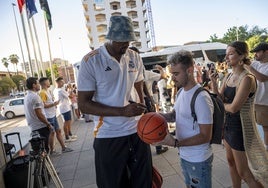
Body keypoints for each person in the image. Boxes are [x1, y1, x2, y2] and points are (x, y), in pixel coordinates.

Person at [77, 15, 152, 188]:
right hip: (109, 135)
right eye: (121, 40)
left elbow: (139, 86)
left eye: (128, 39)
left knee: (144, 183)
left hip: (137, 133)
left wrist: (144, 112)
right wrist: (122, 111)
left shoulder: (134, 56)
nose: (126, 44)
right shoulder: (91, 61)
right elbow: (83, 104)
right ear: (110, 37)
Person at [156, 50, 214, 188]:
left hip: (199, 159)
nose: (172, 79)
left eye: (176, 74)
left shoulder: (201, 98)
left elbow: (206, 136)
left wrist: (175, 143)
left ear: (189, 70)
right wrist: (156, 117)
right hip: (185, 155)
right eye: (171, 74)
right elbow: (175, 115)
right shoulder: (182, 91)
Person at [210, 41, 263, 188]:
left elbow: (234, 108)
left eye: (231, 54)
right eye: (226, 54)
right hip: (228, 125)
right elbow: (220, 97)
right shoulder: (228, 76)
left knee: (244, 172)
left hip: (241, 128)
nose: (226, 58)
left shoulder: (247, 78)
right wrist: (214, 82)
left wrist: (221, 105)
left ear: (242, 56)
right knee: (230, 162)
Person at [129, 46, 169, 155]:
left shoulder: (133, 68)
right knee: (150, 123)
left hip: (137, 101)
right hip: (140, 101)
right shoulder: (136, 69)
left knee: (146, 124)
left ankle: (150, 145)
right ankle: (157, 147)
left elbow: (143, 85)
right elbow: (145, 86)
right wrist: (149, 100)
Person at [39, 77, 73, 154]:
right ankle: (52, 151)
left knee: (58, 131)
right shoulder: (42, 93)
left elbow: (49, 102)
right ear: (45, 83)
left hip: (53, 114)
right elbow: (43, 105)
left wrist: (54, 104)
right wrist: (54, 104)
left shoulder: (48, 91)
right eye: (48, 81)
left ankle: (63, 148)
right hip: (48, 116)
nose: (49, 82)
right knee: (52, 133)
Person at [244, 42, 268, 151]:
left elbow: (262, 78)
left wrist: (249, 68)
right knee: (256, 126)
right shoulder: (256, 63)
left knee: (266, 128)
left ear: (266, 52)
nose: (255, 54)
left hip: (265, 103)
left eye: (257, 52)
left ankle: (266, 149)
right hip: (256, 101)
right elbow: (247, 63)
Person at [24, 77, 53, 153]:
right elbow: (39, 114)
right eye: (37, 83)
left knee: (39, 151)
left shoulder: (27, 96)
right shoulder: (35, 97)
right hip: (40, 127)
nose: (39, 85)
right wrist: (48, 123)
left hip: (33, 126)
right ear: (34, 85)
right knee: (44, 150)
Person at [54, 77, 77, 142]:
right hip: (64, 108)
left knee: (68, 122)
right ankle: (67, 137)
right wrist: (71, 90)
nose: (63, 83)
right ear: (58, 82)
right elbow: (71, 96)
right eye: (62, 82)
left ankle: (70, 134)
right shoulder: (60, 90)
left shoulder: (55, 90)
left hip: (63, 108)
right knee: (66, 123)